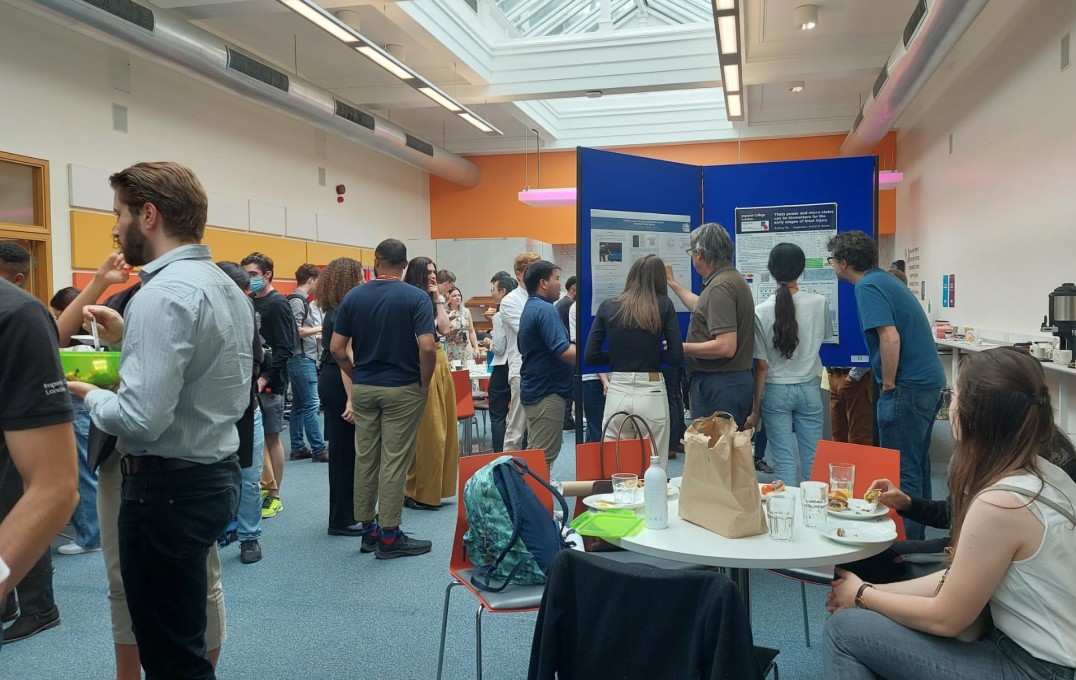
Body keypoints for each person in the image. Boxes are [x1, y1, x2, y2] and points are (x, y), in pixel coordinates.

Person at [69, 162, 252, 678]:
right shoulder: (221, 286)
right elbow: (197, 372)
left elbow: (141, 420)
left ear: (148, 215)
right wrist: (130, 339)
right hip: (210, 478)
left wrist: (87, 396)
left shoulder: (164, 292)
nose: (114, 227)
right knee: (184, 640)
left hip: (165, 492)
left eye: (119, 214)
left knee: (172, 659)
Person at [824, 348, 1076, 680]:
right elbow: (954, 581)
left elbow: (946, 617)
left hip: (1037, 668)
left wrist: (861, 595)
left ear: (974, 415)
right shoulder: (1046, 474)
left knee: (843, 631)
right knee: (860, 617)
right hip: (1043, 654)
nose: (949, 405)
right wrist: (868, 591)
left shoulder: (1001, 504)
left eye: (953, 396)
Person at [829, 230, 945, 540]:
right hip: (927, 384)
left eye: (832, 261)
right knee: (917, 466)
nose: (832, 266)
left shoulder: (867, 286)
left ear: (842, 262)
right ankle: (916, 540)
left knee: (901, 470)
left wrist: (889, 384)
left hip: (907, 387)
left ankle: (904, 546)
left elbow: (889, 336)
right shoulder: (886, 280)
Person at [330, 239, 436, 559]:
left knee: (366, 457)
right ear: (404, 265)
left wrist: (355, 371)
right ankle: (390, 536)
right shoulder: (416, 298)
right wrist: (424, 382)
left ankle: (368, 531)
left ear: (375, 261)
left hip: (364, 387)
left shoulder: (354, 296)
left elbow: (337, 349)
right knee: (394, 461)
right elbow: (428, 347)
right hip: (402, 388)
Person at [0, 276, 79, 649]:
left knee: (16, 506)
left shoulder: (18, 313)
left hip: (19, 446)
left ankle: (39, 607)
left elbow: (55, 489)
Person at [666, 223, 772, 473]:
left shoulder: (720, 287)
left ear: (700, 254)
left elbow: (725, 346)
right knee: (726, 460)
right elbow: (702, 307)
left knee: (713, 463)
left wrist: (680, 348)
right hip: (731, 383)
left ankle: (714, 510)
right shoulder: (730, 280)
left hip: (718, 385)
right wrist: (673, 283)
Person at [585, 255, 683, 468]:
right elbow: (676, 357)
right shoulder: (664, 305)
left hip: (617, 389)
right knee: (654, 468)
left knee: (615, 467)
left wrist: (615, 358)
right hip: (652, 392)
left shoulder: (608, 307)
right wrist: (654, 356)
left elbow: (590, 357)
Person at [746, 243, 830, 486]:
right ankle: (815, 518)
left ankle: (788, 518)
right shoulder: (819, 302)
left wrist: (755, 408)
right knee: (814, 460)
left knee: (783, 461)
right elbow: (820, 340)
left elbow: (761, 365)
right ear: (801, 269)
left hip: (775, 390)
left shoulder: (760, 311)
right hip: (809, 387)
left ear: (771, 270)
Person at [241, 252, 299, 519]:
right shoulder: (249, 301)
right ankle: (263, 487)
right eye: (246, 275)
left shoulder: (279, 304)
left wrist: (266, 377)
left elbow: (287, 347)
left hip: (271, 382)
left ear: (267, 275)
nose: (249, 279)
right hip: (249, 380)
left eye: (253, 274)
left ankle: (275, 495)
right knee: (256, 438)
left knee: (272, 436)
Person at [216, 261, 266, 565]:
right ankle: (222, 531)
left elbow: (260, 357)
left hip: (246, 409)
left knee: (248, 477)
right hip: (212, 414)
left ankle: (249, 537)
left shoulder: (247, 313)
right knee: (215, 477)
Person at [49, 287, 102, 556]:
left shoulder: (79, 343)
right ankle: (92, 529)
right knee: (91, 471)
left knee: (85, 472)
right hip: (89, 408)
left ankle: (89, 537)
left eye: (61, 315)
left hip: (79, 408)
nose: (60, 321)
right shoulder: (100, 334)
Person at [402, 257, 457, 510]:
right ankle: (417, 490)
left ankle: (436, 489)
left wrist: (437, 299)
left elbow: (445, 329)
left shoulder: (430, 298)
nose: (433, 276)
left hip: (439, 359)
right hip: (422, 360)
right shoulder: (411, 297)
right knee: (429, 432)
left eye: (435, 271)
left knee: (445, 428)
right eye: (428, 272)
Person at [316, 257, 365, 536]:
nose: (362, 281)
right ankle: (341, 519)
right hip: (341, 381)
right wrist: (352, 399)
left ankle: (350, 512)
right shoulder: (341, 313)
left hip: (334, 378)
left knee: (346, 451)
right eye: (358, 277)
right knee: (344, 452)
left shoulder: (334, 311)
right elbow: (344, 356)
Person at [518, 260, 575, 473]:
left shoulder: (533, 306)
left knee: (536, 453)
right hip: (546, 391)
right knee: (543, 458)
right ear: (543, 283)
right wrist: (593, 354)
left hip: (537, 388)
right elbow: (563, 350)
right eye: (556, 279)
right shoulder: (544, 310)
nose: (560, 284)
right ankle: (536, 505)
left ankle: (532, 504)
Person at [499, 252, 542, 451]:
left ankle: (537, 476)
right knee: (516, 429)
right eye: (531, 270)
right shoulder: (510, 301)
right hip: (521, 372)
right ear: (518, 274)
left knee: (539, 431)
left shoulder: (541, 298)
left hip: (542, 370)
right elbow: (529, 332)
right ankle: (508, 475)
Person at [287, 263, 328, 463]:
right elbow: (297, 330)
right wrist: (322, 327)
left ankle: (297, 447)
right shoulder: (297, 301)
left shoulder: (301, 300)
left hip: (301, 358)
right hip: (302, 358)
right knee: (311, 404)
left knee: (298, 405)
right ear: (311, 279)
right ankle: (319, 449)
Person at [571, 301, 609, 443]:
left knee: (600, 427)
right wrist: (604, 379)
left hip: (614, 375)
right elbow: (586, 347)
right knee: (596, 427)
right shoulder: (577, 308)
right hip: (591, 376)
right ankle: (596, 463)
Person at [487, 273, 517, 452]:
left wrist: (490, 342)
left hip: (502, 368)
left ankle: (498, 453)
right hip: (518, 365)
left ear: (503, 291)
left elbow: (499, 348)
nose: (492, 293)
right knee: (518, 415)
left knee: (498, 415)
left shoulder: (500, 315)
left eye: (494, 290)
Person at [556, 275, 578, 430]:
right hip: (570, 349)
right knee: (571, 384)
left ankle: (566, 418)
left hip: (564, 349)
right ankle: (566, 419)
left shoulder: (560, 303)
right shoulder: (570, 305)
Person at [445, 286, 479, 365]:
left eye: (459, 295)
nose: (458, 298)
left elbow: (471, 331)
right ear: (448, 298)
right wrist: (451, 332)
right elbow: (441, 331)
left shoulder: (466, 311)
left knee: (469, 373)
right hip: (452, 349)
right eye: (454, 296)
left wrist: (476, 348)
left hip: (466, 348)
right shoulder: (445, 312)